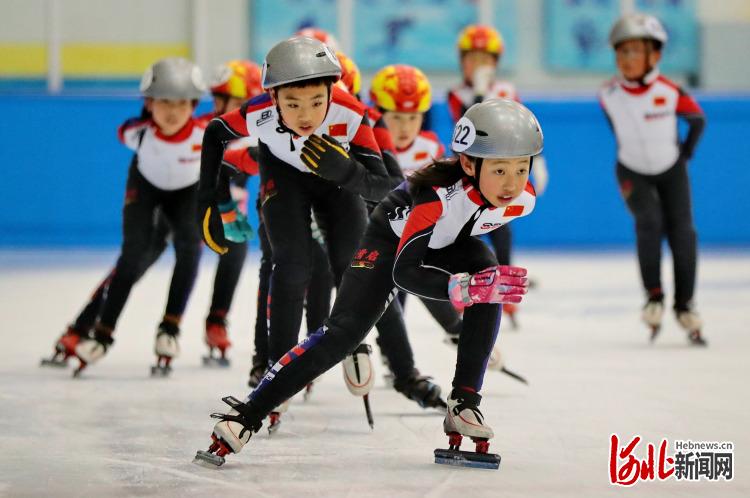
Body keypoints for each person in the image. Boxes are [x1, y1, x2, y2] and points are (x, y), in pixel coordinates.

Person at [193, 98, 542, 467]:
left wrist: (475, 285)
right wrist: (459, 289)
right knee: (342, 334)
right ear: (469, 164)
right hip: (390, 244)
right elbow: (405, 272)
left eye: (522, 169)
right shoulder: (435, 198)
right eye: (500, 171)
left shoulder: (524, 198)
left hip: (446, 240)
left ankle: (465, 403)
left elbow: (463, 234)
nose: (512, 183)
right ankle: (247, 414)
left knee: (489, 278)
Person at [198, 36, 392, 423]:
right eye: (292, 104)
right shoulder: (258, 114)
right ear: (272, 98)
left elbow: (384, 186)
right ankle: (277, 366)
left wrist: (347, 171)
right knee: (291, 267)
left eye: (317, 102)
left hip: (337, 180)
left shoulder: (352, 113)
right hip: (283, 177)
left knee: (349, 264)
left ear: (332, 91)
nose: (306, 115)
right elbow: (214, 134)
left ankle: (355, 343)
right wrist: (210, 201)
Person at [42, 60, 261, 371]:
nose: (239, 111)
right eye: (233, 103)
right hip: (167, 203)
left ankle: (216, 321)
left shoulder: (253, 134)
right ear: (217, 101)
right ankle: (82, 326)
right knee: (135, 260)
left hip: (200, 204)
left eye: (246, 105)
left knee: (232, 246)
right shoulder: (203, 128)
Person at [58, 58, 207, 376]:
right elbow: (124, 130)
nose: (172, 111)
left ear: (193, 105)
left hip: (186, 193)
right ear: (149, 103)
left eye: (181, 103)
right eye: (164, 101)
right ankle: (102, 333)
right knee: (132, 256)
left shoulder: (206, 133)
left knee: (191, 247)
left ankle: (170, 328)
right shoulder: (135, 133)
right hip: (145, 189)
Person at [600, 13, 706, 345]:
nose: (627, 59)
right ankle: (654, 296)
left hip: (671, 168)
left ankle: (685, 305)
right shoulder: (608, 94)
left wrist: (684, 153)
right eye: (622, 52)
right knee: (649, 222)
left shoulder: (671, 91)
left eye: (635, 51)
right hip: (631, 169)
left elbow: (697, 120)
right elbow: (619, 129)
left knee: (683, 233)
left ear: (655, 56)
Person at [447, 24, 549, 327]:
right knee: (466, 232)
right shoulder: (456, 94)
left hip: (501, 170)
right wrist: (478, 92)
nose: (478, 65)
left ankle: (504, 287)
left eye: (485, 59)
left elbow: (523, 125)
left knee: (502, 230)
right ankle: (467, 288)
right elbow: (466, 126)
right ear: (462, 60)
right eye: (472, 58)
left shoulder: (506, 91)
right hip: (471, 174)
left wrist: (538, 160)